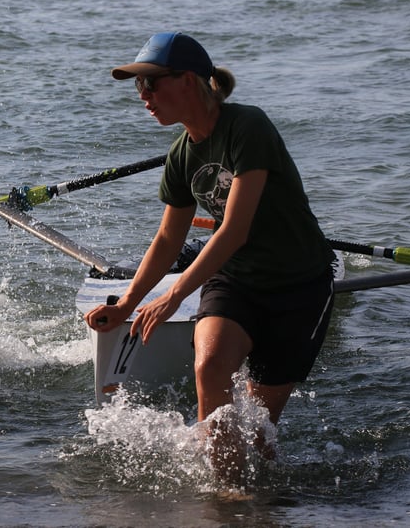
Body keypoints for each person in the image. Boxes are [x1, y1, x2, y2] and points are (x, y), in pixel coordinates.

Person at [82, 32, 336, 485]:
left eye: (151, 83)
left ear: (188, 81)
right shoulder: (181, 155)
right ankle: (225, 498)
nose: (143, 96)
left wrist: (174, 296)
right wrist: (128, 304)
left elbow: (235, 230)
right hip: (235, 279)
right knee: (209, 366)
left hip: (299, 285)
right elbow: (167, 238)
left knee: (259, 434)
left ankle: (263, 501)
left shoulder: (248, 127)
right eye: (138, 86)